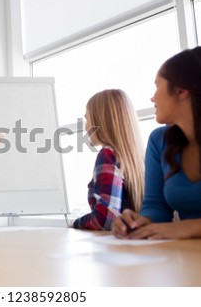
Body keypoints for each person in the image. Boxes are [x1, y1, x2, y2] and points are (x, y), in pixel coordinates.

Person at [113, 47, 201, 239]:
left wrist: (191, 227)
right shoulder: (159, 141)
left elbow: (180, 228)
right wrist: (138, 222)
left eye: (157, 86)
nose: (152, 97)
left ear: (181, 91)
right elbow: (156, 208)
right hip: (186, 258)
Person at [72, 89, 145, 230]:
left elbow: (105, 219)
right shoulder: (138, 157)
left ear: (101, 120)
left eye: (87, 118)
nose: (85, 126)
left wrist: (74, 223)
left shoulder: (108, 155)